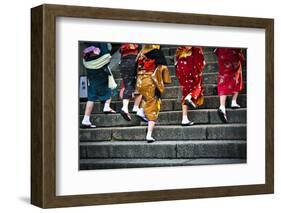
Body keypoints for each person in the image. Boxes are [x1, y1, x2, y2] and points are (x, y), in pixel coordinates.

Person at [136, 44, 171, 142]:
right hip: (151, 81)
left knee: (146, 98)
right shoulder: (157, 53)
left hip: (140, 81)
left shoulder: (141, 53)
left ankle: (141, 110)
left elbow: (136, 68)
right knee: (153, 108)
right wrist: (165, 81)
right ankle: (149, 135)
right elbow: (163, 68)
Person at [81, 42, 116, 128]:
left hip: (90, 71)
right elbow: (107, 57)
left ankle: (86, 118)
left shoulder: (87, 46)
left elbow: (85, 59)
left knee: (91, 96)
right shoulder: (101, 42)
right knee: (110, 86)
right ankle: (107, 106)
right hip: (100, 71)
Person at [175, 46, 205, 126]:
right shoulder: (196, 46)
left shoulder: (180, 47)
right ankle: (190, 96)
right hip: (190, 63)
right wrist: (201, 67)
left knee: (185, 90)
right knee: (197, 84)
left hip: (181, 64)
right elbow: (200, 59)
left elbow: (177, 58)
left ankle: (184, 118)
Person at [214, 48, 244, 123]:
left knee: (223, 77)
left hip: (222, 52)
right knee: (237, 75)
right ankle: (233, 101)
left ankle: (222, 106)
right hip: (233, 51)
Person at [119, 43, 142, 121]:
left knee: (127, 84)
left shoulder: (123, 43)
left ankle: (129, 107)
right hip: (133, 59)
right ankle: (129, 107)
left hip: (123, 61)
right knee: (137, 83)